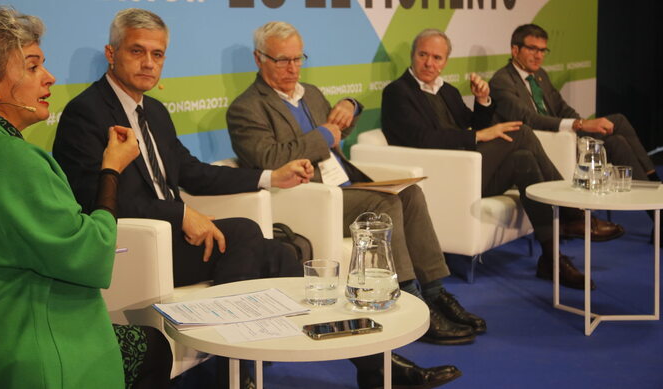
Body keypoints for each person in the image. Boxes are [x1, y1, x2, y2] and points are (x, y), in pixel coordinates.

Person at [0, 7, 172, 389]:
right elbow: (92, 255)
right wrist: (111, 170)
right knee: (153, 347)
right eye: (33, 66)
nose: (49, 77)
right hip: (9, 346)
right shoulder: (9, 157)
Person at [226, 21, 470, 389]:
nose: (293, 68)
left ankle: (435, 293)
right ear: (259, 59)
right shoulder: (246, 108)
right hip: (306, 199)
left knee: (409, 194)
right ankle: (411, 301)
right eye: (282, 60)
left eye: (298, 59)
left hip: (344, 185)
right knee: (381, 205)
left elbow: (340, 130)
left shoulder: (310, 93)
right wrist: (323, 135)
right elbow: (268, 158)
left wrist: (349, 107)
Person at [53, 8, 314, 290]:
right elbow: (96, 199)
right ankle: (225, 313)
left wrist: (271, 177)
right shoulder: (86, 113)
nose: (148, 63)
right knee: (245, 233)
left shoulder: (155, 111)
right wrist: (181, 214)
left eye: (157, 54)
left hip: (173, 236)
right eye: (137, 51)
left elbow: (193, 173)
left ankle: (272, 317)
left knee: (278, 253)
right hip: (132, 244)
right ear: (111, 53)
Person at [381, 28, 625, 291]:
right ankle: (572, 213)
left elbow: (472, 123)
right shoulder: (397, 92)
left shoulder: (446, 90)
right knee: (522, 133)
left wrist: (482, 100)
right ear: (413, 55)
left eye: (437, 58)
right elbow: (420, 137)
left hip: (470, 170)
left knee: (524, 159)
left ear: (445, 61)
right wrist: (477, 136)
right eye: (423, 55)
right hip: (441, 177)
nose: (429, 63)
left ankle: (551, 258)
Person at [490, 23, 660, 240]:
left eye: (542, 50)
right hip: (541, 144)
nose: (539, 56)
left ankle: (658, 215)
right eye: (532, 49)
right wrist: (580, 125)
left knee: (617, 139)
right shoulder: (501, 81)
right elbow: (529, 119)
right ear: (515, 50)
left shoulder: (540, 75)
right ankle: (656, 190)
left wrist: (583, 125)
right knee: (618, 122)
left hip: (564, 136)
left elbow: (562, 108)